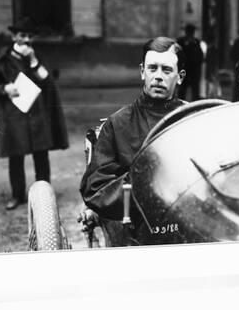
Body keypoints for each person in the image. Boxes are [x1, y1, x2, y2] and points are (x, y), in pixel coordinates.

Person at [80, 37, 187, 223]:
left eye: (167, 70)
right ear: (142, 72)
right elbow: (96, 189)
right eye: (152, 68)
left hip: (188, 217)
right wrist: (146, 187)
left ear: (180, 77)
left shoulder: (193, 118)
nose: (158, 76)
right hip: (138, 223)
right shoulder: (118, 123)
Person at [0, 17, 69, 210]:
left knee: (41, 156)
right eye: (22, 35)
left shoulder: (36, 57)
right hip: (15, 114)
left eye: (29, 36)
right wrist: (4, 88)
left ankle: (44, 196)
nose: (26, 40)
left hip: (37, 114)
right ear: (14, 36)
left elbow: (47, 82)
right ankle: (17, 195)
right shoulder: (4, 59)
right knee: (16, 156)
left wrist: (33, 61)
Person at [176, 24, 204, 101]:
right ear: (186, 32)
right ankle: (180, 104)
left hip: (194, 70)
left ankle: (195, 105)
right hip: (184, 69)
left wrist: (197, 66)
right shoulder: (180, 42)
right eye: (189, 32)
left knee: (195, 90)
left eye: (192, 32)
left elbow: (200, 55)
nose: (190, 34)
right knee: (182, 89)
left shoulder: (196, 42)